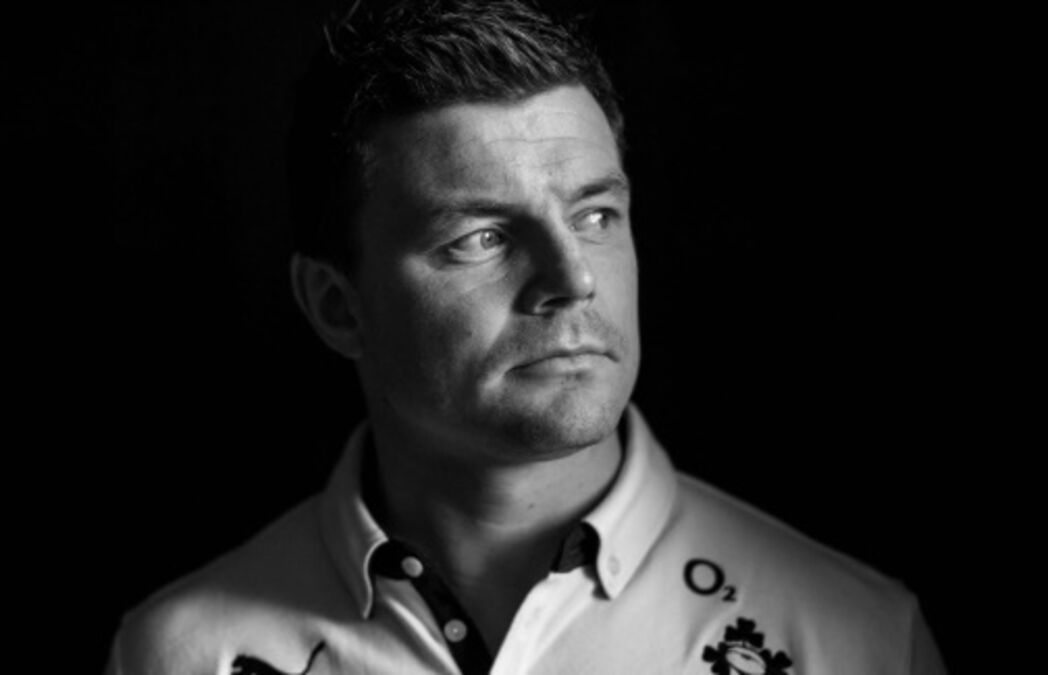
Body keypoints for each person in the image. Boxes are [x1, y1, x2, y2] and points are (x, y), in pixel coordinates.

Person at [106, 1, 946, 673]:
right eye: (481, 238)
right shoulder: (185, 654)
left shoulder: (857, 640)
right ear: (338, 306)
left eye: (595, 214)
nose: (573, 278)